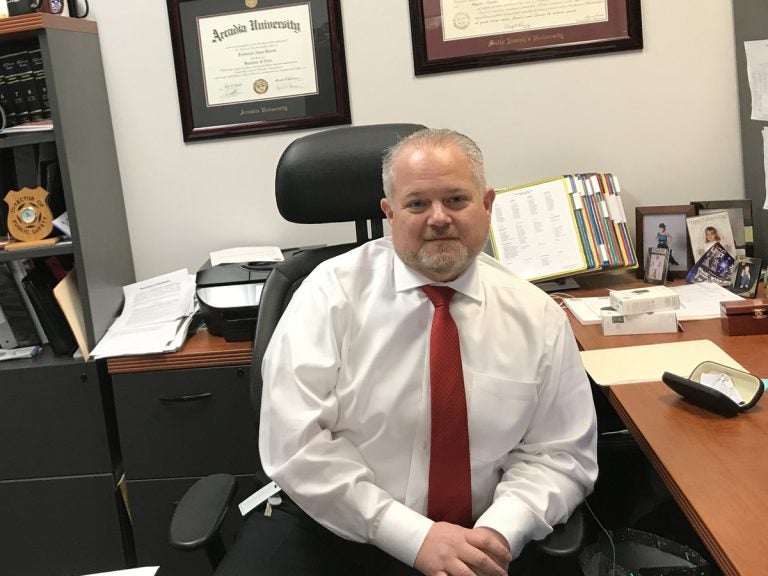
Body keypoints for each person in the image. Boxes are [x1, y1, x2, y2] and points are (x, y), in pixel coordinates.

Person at [257, 128, 598, 576]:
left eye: (456, 200)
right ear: (390, 213)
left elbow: (561, 454)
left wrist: (497, 533)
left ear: (487, 204)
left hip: (482, 540)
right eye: (417, 204)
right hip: (341, 528)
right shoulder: (328, 295)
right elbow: (295, 443)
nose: (439, 218)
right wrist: (411, 537)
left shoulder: (537, 316)